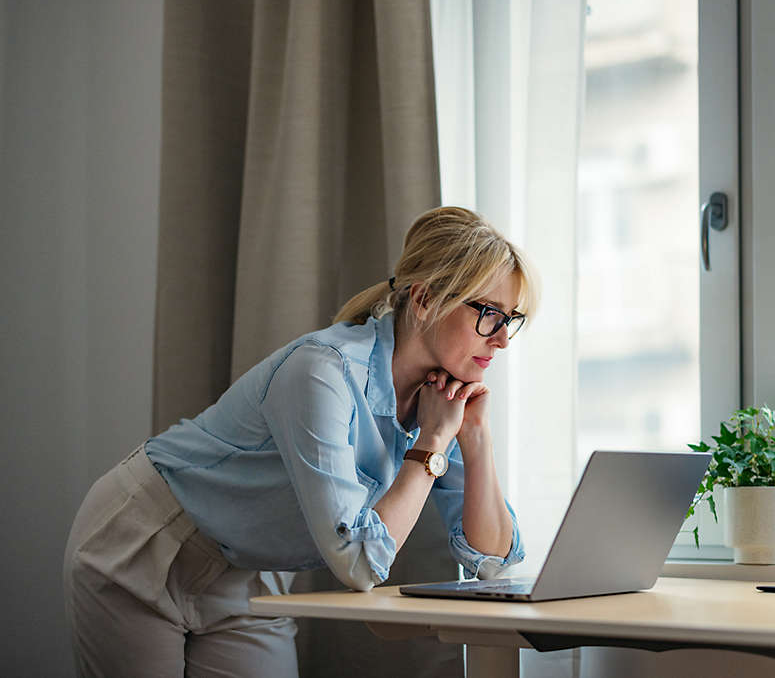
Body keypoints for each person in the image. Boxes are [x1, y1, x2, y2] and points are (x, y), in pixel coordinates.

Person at [63, 206, 537, 677]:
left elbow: (494, 563)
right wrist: (433, 441)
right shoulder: (323, 371)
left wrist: (475, 438)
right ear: (425, 299)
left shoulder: (442, 397)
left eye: (510, 318)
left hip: (244, 568)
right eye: (489, 313)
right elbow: (358, 564)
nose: (502, 340)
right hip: (147, 541)